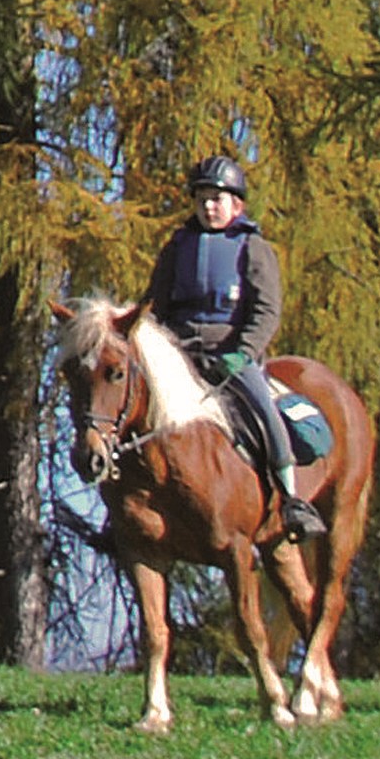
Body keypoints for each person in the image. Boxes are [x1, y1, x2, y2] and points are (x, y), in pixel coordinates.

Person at [143, 154, 321, 539]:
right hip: (179, 353)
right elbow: (155, 303)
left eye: (216, 199)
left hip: (233, 355)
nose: (208, 207)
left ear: (235, 204)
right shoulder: (177, 247)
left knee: (265, 412)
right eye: (202, 199)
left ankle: (291, 499)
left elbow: (266, 310)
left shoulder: (253, 248)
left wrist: (244, 351)